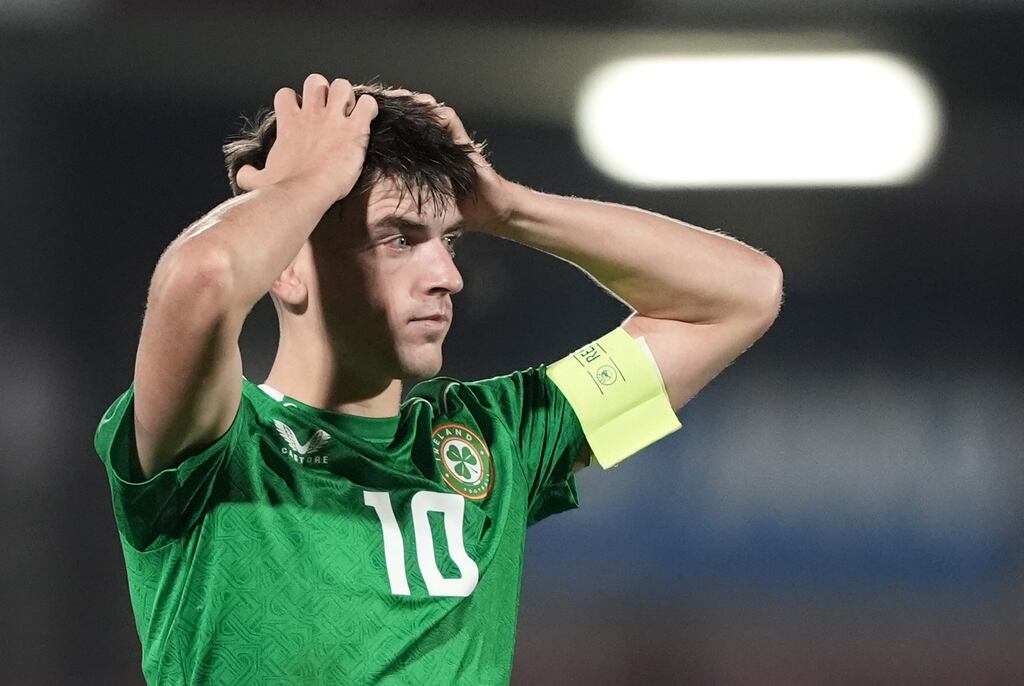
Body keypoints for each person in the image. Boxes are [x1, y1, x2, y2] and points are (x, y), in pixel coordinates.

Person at [95, 73, 782, 685]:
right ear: (289, 266)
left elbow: (742, 296)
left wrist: (509, 209)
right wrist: (307, 182)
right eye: (399, 239)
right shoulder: (214, 446)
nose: (448, 276)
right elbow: (202, 278)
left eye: (449, 240)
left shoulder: (502, 438)